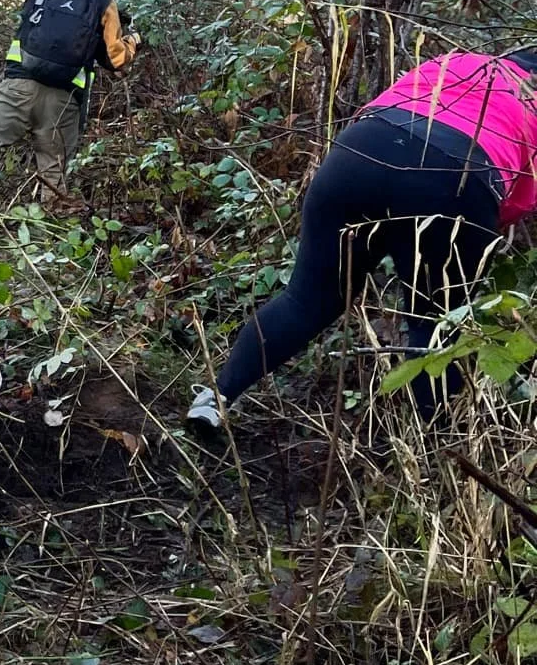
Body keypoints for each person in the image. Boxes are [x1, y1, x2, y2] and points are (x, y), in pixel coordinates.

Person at [188, 48, 537, 431]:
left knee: (305, 301)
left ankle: (217, 398)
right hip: (456, 179)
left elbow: (383, 105)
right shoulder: (533, 99)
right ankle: (432, 455)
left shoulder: (460, 60)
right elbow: (520, 200)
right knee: (435, 326)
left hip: (359, 153)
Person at [0, 0, 138, 212]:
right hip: (63, 99)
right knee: (53, 169)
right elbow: (116, 59)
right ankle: (50, 237)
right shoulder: (102, 0)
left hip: (18, 85)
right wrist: (134, 41)